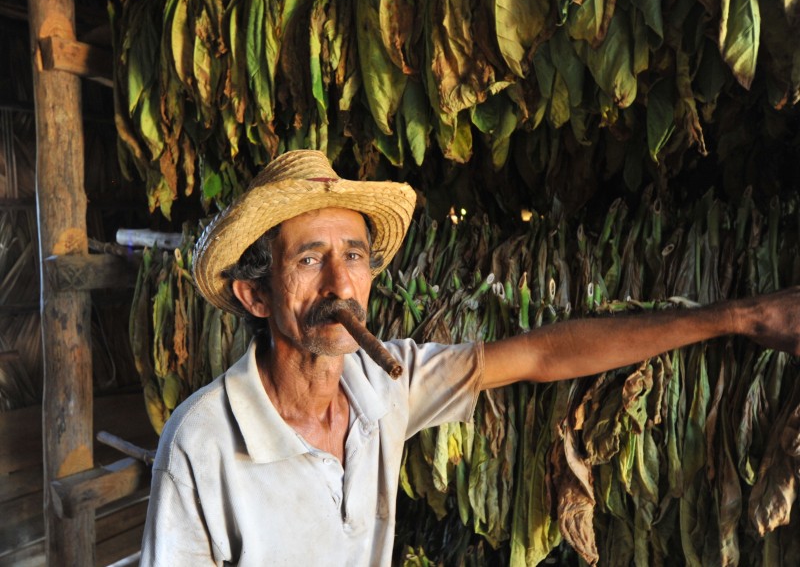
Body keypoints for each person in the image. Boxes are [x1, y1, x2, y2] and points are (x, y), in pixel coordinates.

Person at [140, 149, 800, 566]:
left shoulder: (384, 385)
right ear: (256, 294)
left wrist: (737, 317)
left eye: (356, 256)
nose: (341, 286)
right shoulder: (201, 442)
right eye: (309, 259)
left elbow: (543, 354)